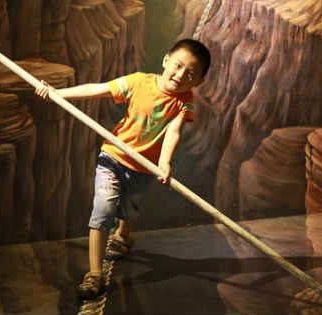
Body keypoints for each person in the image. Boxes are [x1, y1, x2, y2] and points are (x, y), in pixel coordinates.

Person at [36, 38, 211, 300]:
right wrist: (58, 94)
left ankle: (122, 235)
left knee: (130, 207)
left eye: (191, 73)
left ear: (198, 81)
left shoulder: (185, 101)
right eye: (177, 65)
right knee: (103, 209)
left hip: (144, 166)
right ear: (165, 61)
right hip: (114, 156)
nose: (180, 75)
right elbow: (100, 89)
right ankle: (95, 273)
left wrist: (164, 163)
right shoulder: (139, 82)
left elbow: (174, 131)